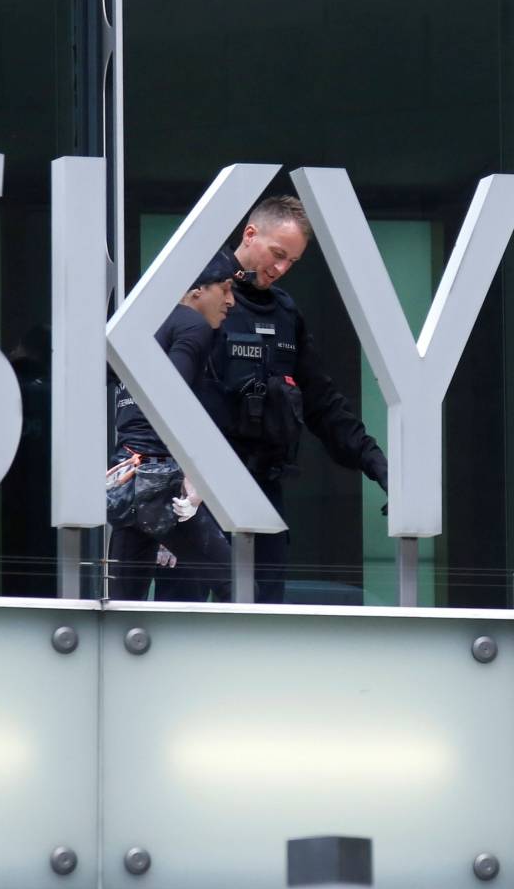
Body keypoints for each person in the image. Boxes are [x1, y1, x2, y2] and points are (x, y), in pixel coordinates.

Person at [203, 194, 388, 602]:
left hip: (264, 491)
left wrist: (377, 464)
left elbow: (322, 402)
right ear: (250, 234)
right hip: (199, 492)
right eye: (277, 253)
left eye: (292, 262)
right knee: (184, 624)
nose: (281, 269)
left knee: (262, 630)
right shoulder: (200, 295)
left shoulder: (285, 313)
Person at [107, 271, 238, 601]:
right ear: (195, 290)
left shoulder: (140, 328)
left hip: (128, 474)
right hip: (163, 476)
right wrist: (192, 477)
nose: (230, 301)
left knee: (124, 599)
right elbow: (169, 399)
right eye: (224, 289)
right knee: (237, 587)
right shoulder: (193, 326)